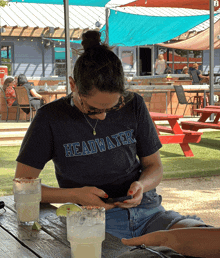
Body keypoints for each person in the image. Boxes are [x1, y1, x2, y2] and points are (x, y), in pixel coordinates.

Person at [15, 30, 208, 241]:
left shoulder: (133, 104)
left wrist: (142, 185)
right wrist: (74, 195)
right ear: (73, 86)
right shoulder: (50, 118)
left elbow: (154, 166)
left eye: (114, 106)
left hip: (150, 212)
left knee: (202, 238)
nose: (104, 116)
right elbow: (23, 184)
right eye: (93, 109)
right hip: (94, 221)